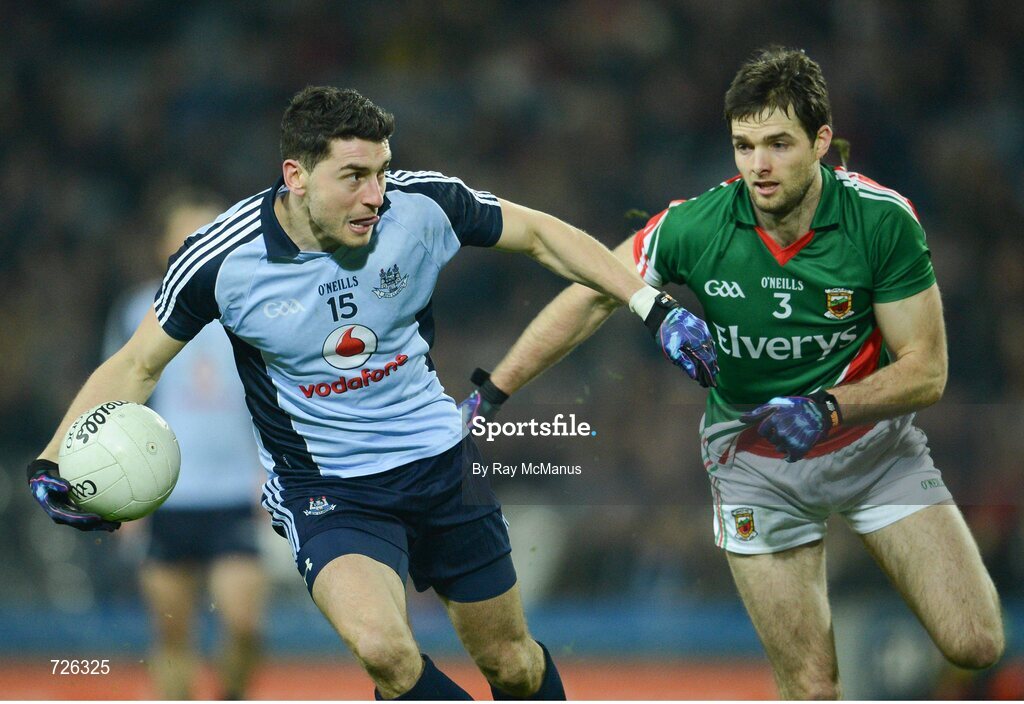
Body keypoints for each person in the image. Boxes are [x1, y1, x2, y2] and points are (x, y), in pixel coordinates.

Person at [26, 86, 716, 700]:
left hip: (442, 462)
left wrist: (652, 306)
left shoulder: (423, 205)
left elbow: (539, 235)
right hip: (327, 489)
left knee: (512, 665)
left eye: (380, 171)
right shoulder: (221, 258)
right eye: (353, 176)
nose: (375, 194)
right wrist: (53, 461)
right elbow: (136, 365)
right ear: (295, 177)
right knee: (388, 653)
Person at [460, 47, 1004, 699]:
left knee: (976, 642)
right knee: (810, 682)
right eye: (744, 146)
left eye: (778, 144)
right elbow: (590, 295)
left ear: (823, 140)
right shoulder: (695, 224)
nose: (759, 166)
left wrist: (829, 408)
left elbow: (928, 371)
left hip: (872, 448)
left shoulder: (882, 221)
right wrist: (494, 390)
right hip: (754, 460)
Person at [103, 192, 267, 699]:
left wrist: (271, 469)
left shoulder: (249, 307)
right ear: (164, 248)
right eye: (186, 236)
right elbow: (119, 401)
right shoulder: (138, 310)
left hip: (233, 490)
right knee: (173, 634)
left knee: (243, 625)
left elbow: (270, 397)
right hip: (166, 493)